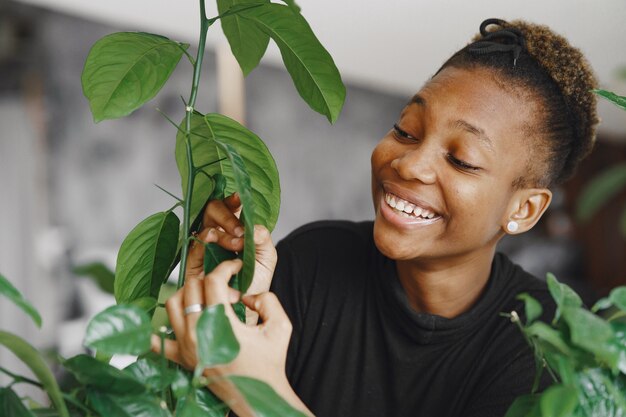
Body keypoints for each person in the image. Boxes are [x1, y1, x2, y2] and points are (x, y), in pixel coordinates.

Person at [152, 18, 599, 417]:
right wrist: (219, 317)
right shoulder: (314, 262)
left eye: (461, 159)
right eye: (405, 130)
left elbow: (248, 387)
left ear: (523, 209)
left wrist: (259, 395)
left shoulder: (546, 349)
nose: (408, 164)